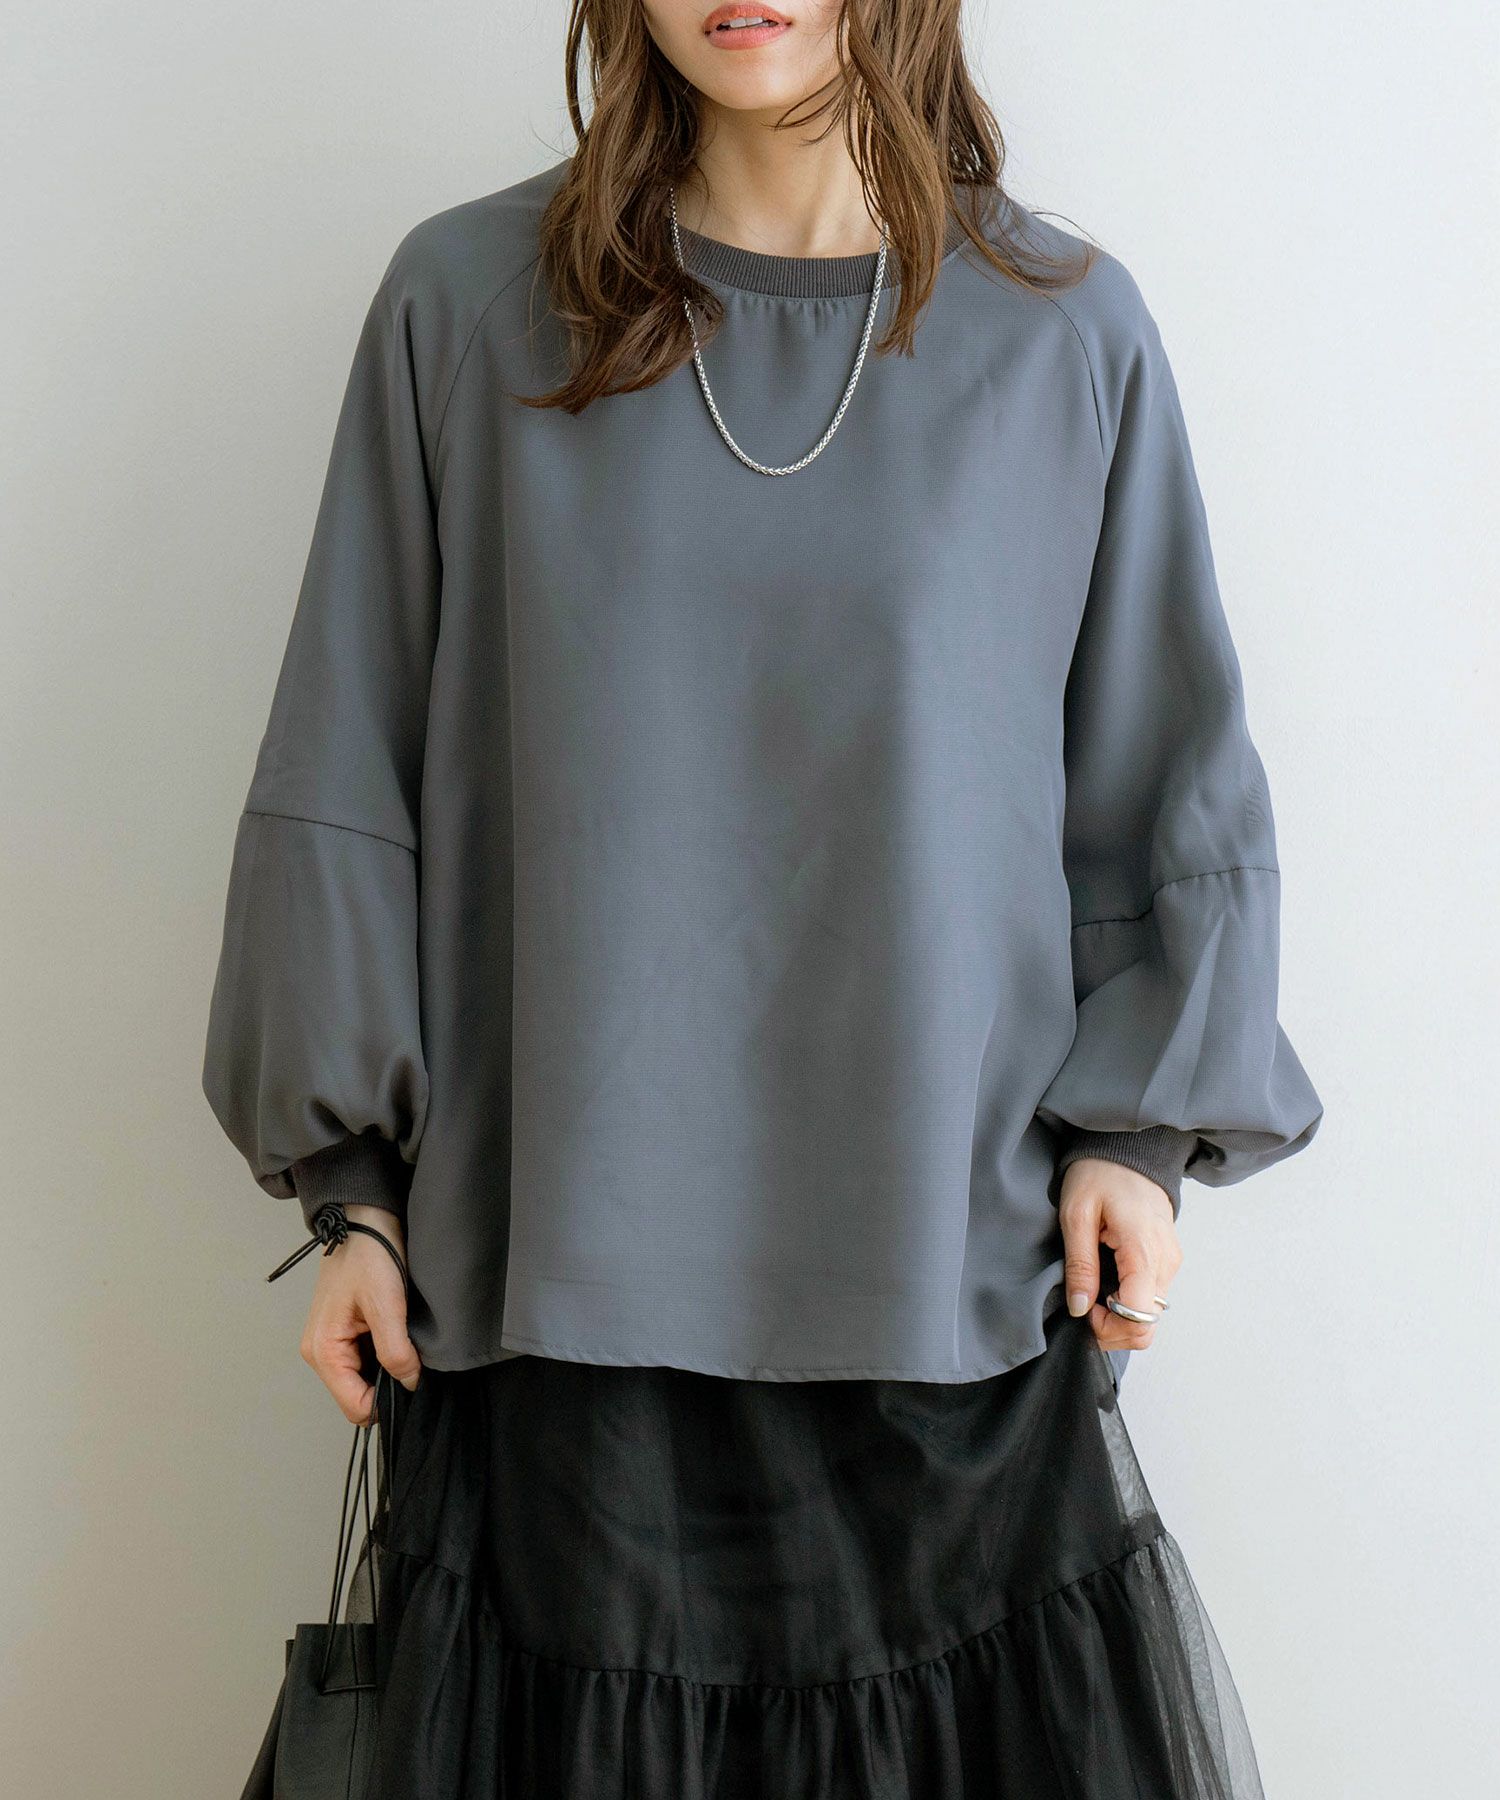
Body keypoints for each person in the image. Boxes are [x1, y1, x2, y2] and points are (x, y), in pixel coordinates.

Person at [202, 3, 1322, 1794]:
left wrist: (1136, 1132)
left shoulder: (1061, 331)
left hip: (949, 1289)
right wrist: (351, 1191)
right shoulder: (466, 306)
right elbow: (349, 761)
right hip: (557, 1297)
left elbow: (1155, 767)